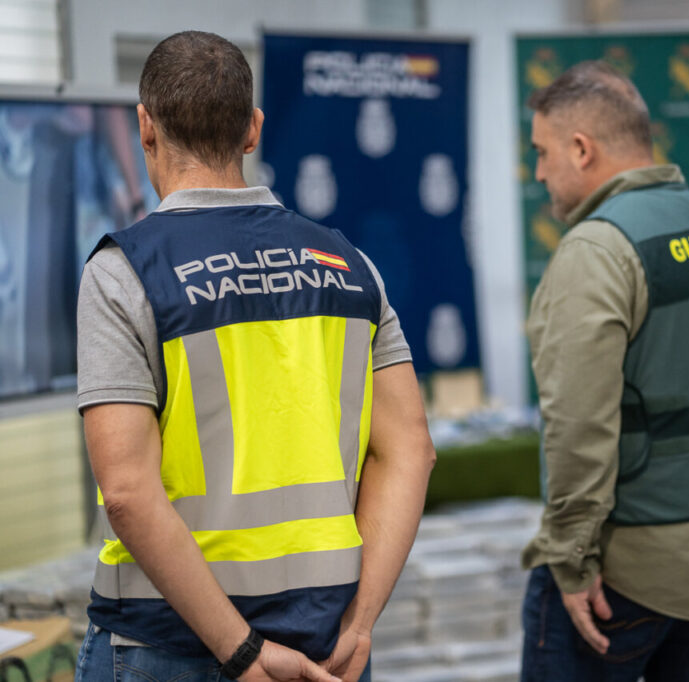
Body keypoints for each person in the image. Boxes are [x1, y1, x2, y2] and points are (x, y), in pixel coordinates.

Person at [75, 31, 435, 682]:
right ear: (253, 130)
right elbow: (411, 449)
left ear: (145, 127)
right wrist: (360, 624)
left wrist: (240, 651)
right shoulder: (351, 266)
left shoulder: (124, 273)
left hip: (165, 647)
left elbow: (126, 492)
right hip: (327, 648)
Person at [519, 60, 689, 682]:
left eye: (542, 152)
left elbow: (578, 425)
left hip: (623, 578)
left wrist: (571, 559)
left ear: (581, 149)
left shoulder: (597, 251)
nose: (539, 173)